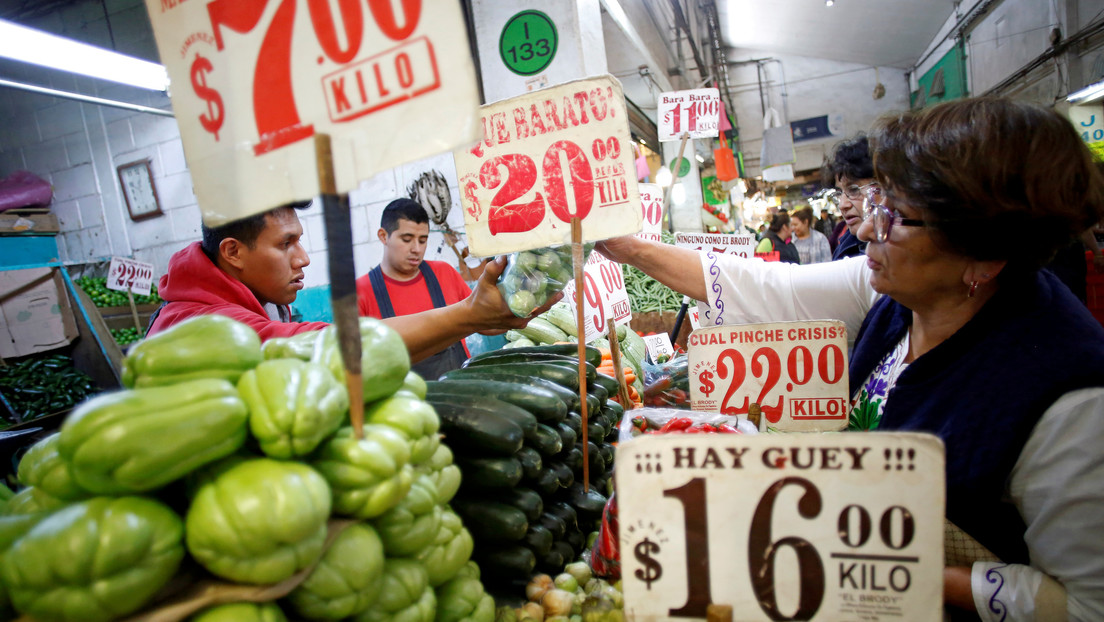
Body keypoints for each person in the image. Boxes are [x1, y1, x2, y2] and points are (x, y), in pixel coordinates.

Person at [598, 97, 1104, 620]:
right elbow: (765, 285)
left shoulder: (1069, 397)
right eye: (878, 203)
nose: (864, 230)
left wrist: (898, 568)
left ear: (984, 255)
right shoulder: (897, 291)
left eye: (895, 217)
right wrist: (629, 248)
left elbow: (1088, 605)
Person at [148, 201, 553, 363]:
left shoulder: (257, 300)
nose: (303, 258)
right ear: (233, 252)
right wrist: (469, 315)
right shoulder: (200, 325)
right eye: (286, 244)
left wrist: (471, 316)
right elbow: (333, 348)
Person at [356, 198, 471, 377]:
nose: (416, 249)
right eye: (407, 239)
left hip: (460, 388)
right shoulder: (360, 292)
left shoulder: (444, 273)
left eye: (423, 240)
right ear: (383, 236)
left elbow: (486, 321)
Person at [824, 135, 875, 260]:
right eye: (839, 193)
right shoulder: (845, 246)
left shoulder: (905, 243)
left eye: (853, 190)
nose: (842, 205)